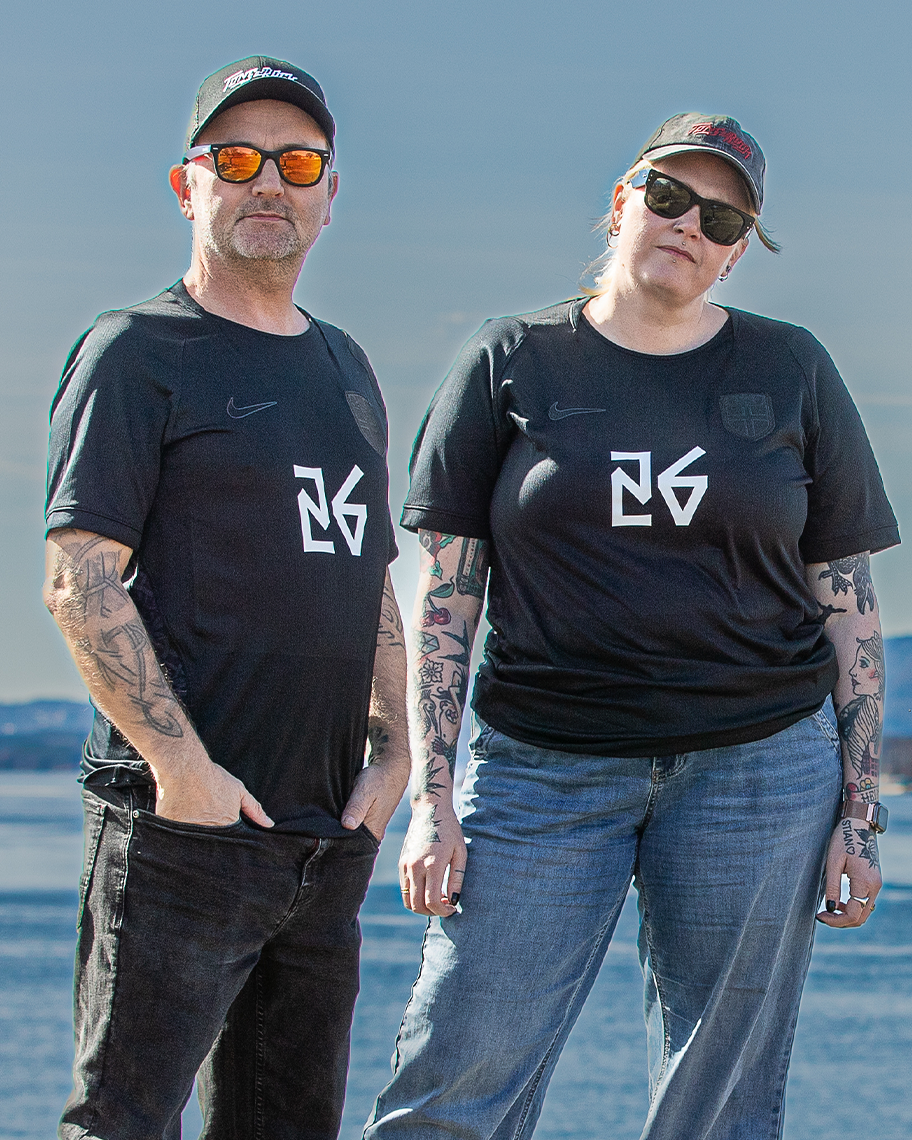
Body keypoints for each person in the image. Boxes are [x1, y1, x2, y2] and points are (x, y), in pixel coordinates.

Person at [364, 113, 899, 1140]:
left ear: (737, 252)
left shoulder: (791, 368)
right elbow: (444, 599)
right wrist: (430, 799)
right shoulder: (510, 361)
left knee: (721, 1107)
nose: (689, 224)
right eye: (668, 197)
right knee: (456, 1070)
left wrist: (859, 818)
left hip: (759, 771)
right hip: (542, 767)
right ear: (621, 204)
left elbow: (849, 602)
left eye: (721, 218)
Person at [44, 56, 409, 1140]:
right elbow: (78, 579)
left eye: (297, 164)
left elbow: (365, 570)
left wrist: (394, 754)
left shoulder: (346, 367)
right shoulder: (137, 352)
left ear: (330, 194)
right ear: (186, 184)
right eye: (237, 159)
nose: (269, 184)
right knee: (121, 1126)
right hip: (181, 834)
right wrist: (182, 771)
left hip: (323, 835)